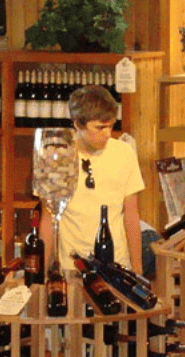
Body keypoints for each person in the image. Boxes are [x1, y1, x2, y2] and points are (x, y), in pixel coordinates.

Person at [40, 85, 144, 273]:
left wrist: (138, 271)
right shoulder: (57, 158)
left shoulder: (124, 154)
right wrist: (41, 273)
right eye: (100, 127)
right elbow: (48, 220)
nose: (107, 134)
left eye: (111, 126)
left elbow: (131, 215)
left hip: (116, 267)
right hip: (72, 269)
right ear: (78, 124)